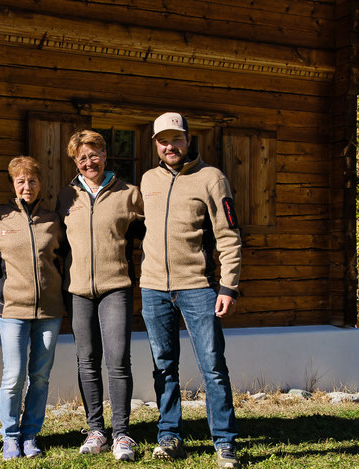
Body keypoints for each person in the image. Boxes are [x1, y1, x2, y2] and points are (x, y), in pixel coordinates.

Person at [140, 112, 242, 469]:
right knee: (163, 366)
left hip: (198, 287)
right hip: (153, 288)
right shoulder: (147, 180)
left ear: (188, 140)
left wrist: (228, 285)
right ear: (156, 144)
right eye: (163, 140)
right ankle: (169, 436)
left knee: (212, 366)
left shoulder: (212, 178)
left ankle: (224, 443)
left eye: (176, 139)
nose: (170, 146)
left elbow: (229, 235)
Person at [56, 130, 145, 461]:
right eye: (82, 157)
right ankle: (96, 430)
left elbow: (151, 232)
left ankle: (121, 434)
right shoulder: (66, 197)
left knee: (118, 360)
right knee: (87, 360)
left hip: (116, 286)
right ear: (75, 161)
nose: (89, 162)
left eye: (94, 155)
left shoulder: (128, 193)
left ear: (105, 155)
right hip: (78, 290)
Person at [0, 156, 66, 460]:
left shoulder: (53, 220)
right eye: (21, 181)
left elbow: (64, 256)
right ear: (13, 184)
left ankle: (30, 434)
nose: (27, 186)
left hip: (49, 310)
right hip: (13, 308)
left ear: (40, 183)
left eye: (32, 180)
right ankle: (10, 436)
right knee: (14, 376)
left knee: (40, 376)